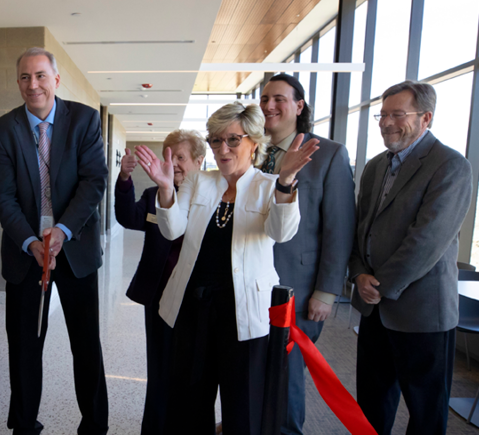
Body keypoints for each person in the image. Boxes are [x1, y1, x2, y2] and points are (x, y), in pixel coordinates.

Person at [134, 101, 318, 435]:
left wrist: (286, 180)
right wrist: (165, 189)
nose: (223, 148)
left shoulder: (269, 185)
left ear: (254, 143)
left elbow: (282, 232)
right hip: (192, 308)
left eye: (233, 140)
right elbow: (173, 229)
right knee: (189, 403)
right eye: (216, 140)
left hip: (245, 312)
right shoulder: (199, 181)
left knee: (243, 405)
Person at [0, 47, 109, 435]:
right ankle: (24, 425)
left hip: (74, 248)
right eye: (25, 77)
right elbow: (2, 195)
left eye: (40, 76)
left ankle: (94, 424)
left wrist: (61, 231)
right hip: (25, 251)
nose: (33, 84)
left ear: (56, 79)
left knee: (85, 345)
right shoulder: (4, 129)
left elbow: (94, 182)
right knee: (24, 348)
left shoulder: (85, 120)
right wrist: (30, 241)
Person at [349, 80, 472, 435]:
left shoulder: (449, 165)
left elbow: (428, 240)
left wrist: (381, 285)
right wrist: (358, 274)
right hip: (373, 308)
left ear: (426, 117)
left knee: (425, 411)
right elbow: (361, 229)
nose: (387, 123)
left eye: (397, 114)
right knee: (372, 404)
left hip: (422, 312)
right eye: (383, 115)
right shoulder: (375, 167)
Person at [258, 74, 356, 435]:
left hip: (297, 289)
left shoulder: (328, 153)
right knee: (257, 368)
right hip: (253, 282)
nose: (269, 105)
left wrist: (326, 292)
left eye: (279, 99)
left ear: (299, 106)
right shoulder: (255, 151)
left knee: (287, 377)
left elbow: (340, 228)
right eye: (265, 98)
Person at [114, 130, 206, 435]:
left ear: (199, 161)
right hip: (158, 295)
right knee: (160, 368)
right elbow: (129, 218)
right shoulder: (153, 195)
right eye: (169, 156)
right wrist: (125, 179)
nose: (174, 163)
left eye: (180, 157)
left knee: (192, 371)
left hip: (195, 299)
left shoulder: (210, 198)